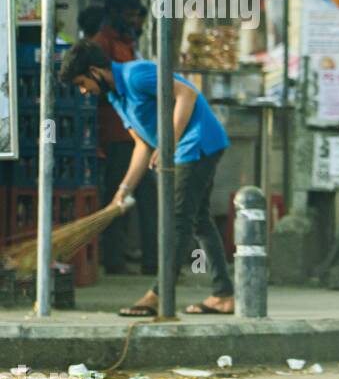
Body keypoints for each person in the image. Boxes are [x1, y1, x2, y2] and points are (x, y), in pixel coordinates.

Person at [59, 42, 234, 317]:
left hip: (198, 142)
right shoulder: (116, 97)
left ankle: (157, 294)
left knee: (179, 220)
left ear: (94, 71)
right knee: (198, 220)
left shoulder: (135, 75)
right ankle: (223, 294)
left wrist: (168, 145)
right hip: (183, 149)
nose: (84, 91)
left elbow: (187, 94)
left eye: (82, 83)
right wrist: (123, 189)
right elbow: (141, 146)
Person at [90, 0, 158, 276]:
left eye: (135, 15)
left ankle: (153, 261)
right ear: (115, 13)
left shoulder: (129, 43)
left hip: (138, 133)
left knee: (148, 199)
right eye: (128, 14)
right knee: (120, 199)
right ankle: (115, 261)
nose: (133, 20)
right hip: (116, 135)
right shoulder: (101, 44)